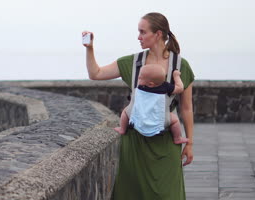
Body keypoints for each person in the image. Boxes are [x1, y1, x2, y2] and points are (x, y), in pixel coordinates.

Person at [82, 12, 194, 200]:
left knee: (168, 194)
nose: (138, 37)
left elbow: (186, 108)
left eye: (142, 32)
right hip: (134, 144)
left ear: (158, 34)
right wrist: (89, 48)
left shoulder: (181, 66)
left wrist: (189, 143)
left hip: (166, 143)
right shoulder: (132, 63)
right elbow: (96, 73)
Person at [113, 64, 189, 145]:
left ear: (150, 84)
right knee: (175, 120)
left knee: (125, 111)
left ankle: (122, 129)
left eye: (140, 77)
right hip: (158, 123)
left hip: (138, 121)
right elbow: (180, 88)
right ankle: (177, 138)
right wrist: (176, 76)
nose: (138, 78)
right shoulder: (165, 87)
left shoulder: (141, 87)